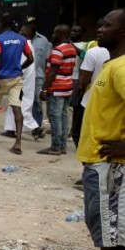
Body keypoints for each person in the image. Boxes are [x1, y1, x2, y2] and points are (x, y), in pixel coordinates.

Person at [76, 8, 125, 250]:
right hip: (100, 164)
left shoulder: (122, 68)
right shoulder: (111, 64)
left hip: (111, 166)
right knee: (107, 229)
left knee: (117, 236)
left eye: (106, 26)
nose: (99, 29)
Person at [0, 14, 34, 155]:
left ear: (1, 24)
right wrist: (20, 68)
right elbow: (30, 58)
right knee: (17, 108)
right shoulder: (22, 39)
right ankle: (18, 143)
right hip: (16, 79)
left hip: (0, 79)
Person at [37, 25, 77, 155]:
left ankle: (55, 146)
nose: (53, 35)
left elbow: (53, 71)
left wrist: (44, 89)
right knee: (64, 116)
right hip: (68, 86)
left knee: (55, 117)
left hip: (57, 87)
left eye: (55, 33)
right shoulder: (71, 48)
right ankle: (63, 146)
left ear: (60, 34)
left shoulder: (58, 51)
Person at [2, 23, 40, 140]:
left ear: (30, 34)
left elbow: (21, 63)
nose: (20, 33)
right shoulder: (27, 44)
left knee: (20, 105)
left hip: (21, 79)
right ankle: (10, 128)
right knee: (14, 103)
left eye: (23, 32)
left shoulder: (24, 44)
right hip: (23, 78)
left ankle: (34, 127)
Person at [27, 17, 52, 138]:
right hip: (24, 76)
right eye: (29, 24)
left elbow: (48, 60)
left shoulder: (44, 41)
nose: (31, 26)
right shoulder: (22, 39)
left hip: (38, 77)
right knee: (24, 101)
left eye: (33, 24)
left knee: (37, 102)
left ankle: (36, 127)